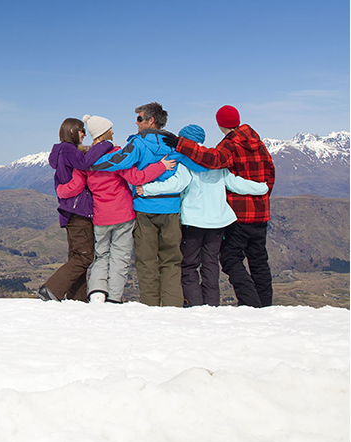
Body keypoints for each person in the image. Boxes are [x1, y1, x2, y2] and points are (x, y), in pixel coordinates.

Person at [88, 102, 205, 307]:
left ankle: (150, 307)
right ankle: (172, 306)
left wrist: (90, 162)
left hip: (145, 209)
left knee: (146, 261)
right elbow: (199, 164)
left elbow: (120, 161)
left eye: (140, 118)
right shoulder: (174, 143)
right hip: (171, 210)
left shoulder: (139, 143)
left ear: (151, 121)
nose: (137, 122)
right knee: (171, 261)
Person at [141, 124, 269, 306]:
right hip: (218, 222)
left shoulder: (186, 162)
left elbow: (176, 185)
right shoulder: (216, 161)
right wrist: (262, 187)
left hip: (194, 222)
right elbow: (235, 183)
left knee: (189, 264)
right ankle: (211, 303)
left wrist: (145, 189)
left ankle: (194, 304)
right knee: (210, 263)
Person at [56, 114, 175, 303]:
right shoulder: (117, 157)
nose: (113, 131)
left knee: (101, 256)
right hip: (123, 215)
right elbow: (137, 177)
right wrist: (161, 166)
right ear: (104, 132)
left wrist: (61, 191)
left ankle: (96, 293)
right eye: (110, 129)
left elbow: (77, 184)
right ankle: (114, 297)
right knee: (120, 257)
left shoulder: (85, 160)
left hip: (100, 216)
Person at [39, 117, 115, 302]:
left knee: (77, 256)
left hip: (71, 212)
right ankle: (51, 288)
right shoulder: (68, 149)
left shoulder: (62, 152)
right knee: (85, 257)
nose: (84, 135)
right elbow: (84, 163)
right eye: (82, 131)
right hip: (79, 211)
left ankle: (77, 299)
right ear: (73, 131)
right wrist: (104, 144)